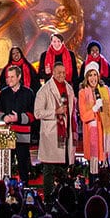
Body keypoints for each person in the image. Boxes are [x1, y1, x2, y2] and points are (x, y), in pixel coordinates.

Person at [34, 58, 76, 199]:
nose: (61, 75)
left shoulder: (69, 88)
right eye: (58, 73)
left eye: (63, 73)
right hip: (51, 134)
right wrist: (55, 111)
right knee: (49, 169)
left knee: (64, 168)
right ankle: (48, 198)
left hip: (65, 134)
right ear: (53, 73)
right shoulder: (44, 90)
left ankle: (63, 197)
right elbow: (37, 113)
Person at [0, 62, 36, 183]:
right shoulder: (4, 93)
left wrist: (18, 118)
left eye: (12, 77)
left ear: (19, 77)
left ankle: (24, 191)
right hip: (7, 135)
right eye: (8, 77)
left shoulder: (28, 93)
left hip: (23, 136)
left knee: (23, 166)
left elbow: (32, 115)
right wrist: (4, 117)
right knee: (6, 166)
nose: (9, 79)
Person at [78, 61, 110, 175]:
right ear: (86, 77)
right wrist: (94, 109)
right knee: (94, 166)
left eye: (95, 74)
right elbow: (84, 116)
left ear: (98, 76)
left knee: (106, 166)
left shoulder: (105, 90)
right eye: (90, 75)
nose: (93, 78)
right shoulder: (82, 93)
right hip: (92, 133)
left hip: (105, 132)